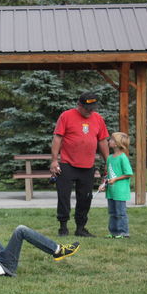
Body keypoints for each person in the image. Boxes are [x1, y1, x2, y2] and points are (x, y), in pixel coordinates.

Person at [50, 91, 110, 237]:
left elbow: (102, 141)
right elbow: (58, 138)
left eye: (93, 108)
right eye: (87, 109)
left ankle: (80, 228)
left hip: (88, 166)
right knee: (63, 197)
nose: (90, 111)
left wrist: (108, 162)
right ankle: (63, 227)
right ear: (79, 105)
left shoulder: (98, 119)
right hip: (67, 164)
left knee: (85, 198)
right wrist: (54, 160)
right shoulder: (66, 116)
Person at [99, 132, 134, 238]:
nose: (109, 141)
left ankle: (123, 232)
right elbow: (109, 174)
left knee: (120, 213)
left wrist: (115, 179)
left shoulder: (123, 158)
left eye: (112, 140)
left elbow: (128, 173)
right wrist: (104, 184)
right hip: (111, 192)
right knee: (112, 212)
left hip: (120, 191)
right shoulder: (109, 158)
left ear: (118, 144)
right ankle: (113, 232)